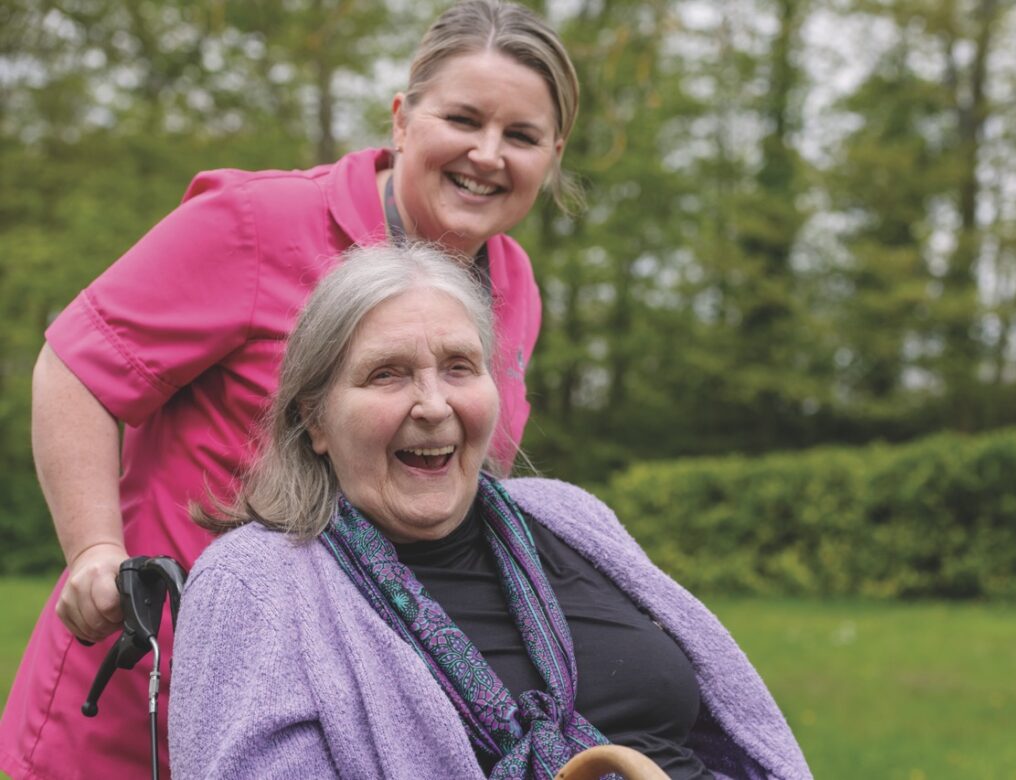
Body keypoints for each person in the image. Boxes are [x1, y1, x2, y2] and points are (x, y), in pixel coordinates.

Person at [0, 2, 580, 777]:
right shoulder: (255, 224)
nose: (486, 154)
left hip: (339, 722)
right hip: (145, 696)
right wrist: (95, 551)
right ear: (403, 118)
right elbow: (77, 368)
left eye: (521, 136)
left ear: (554, 153)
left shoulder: (514, 286)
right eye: (463, 118)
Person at [167, 242, 812, 780]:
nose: (432, 404)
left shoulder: (569, 515)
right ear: (315, 420)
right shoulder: (253, 582)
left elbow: (733, 726)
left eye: (458, 367)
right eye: (387, 374)